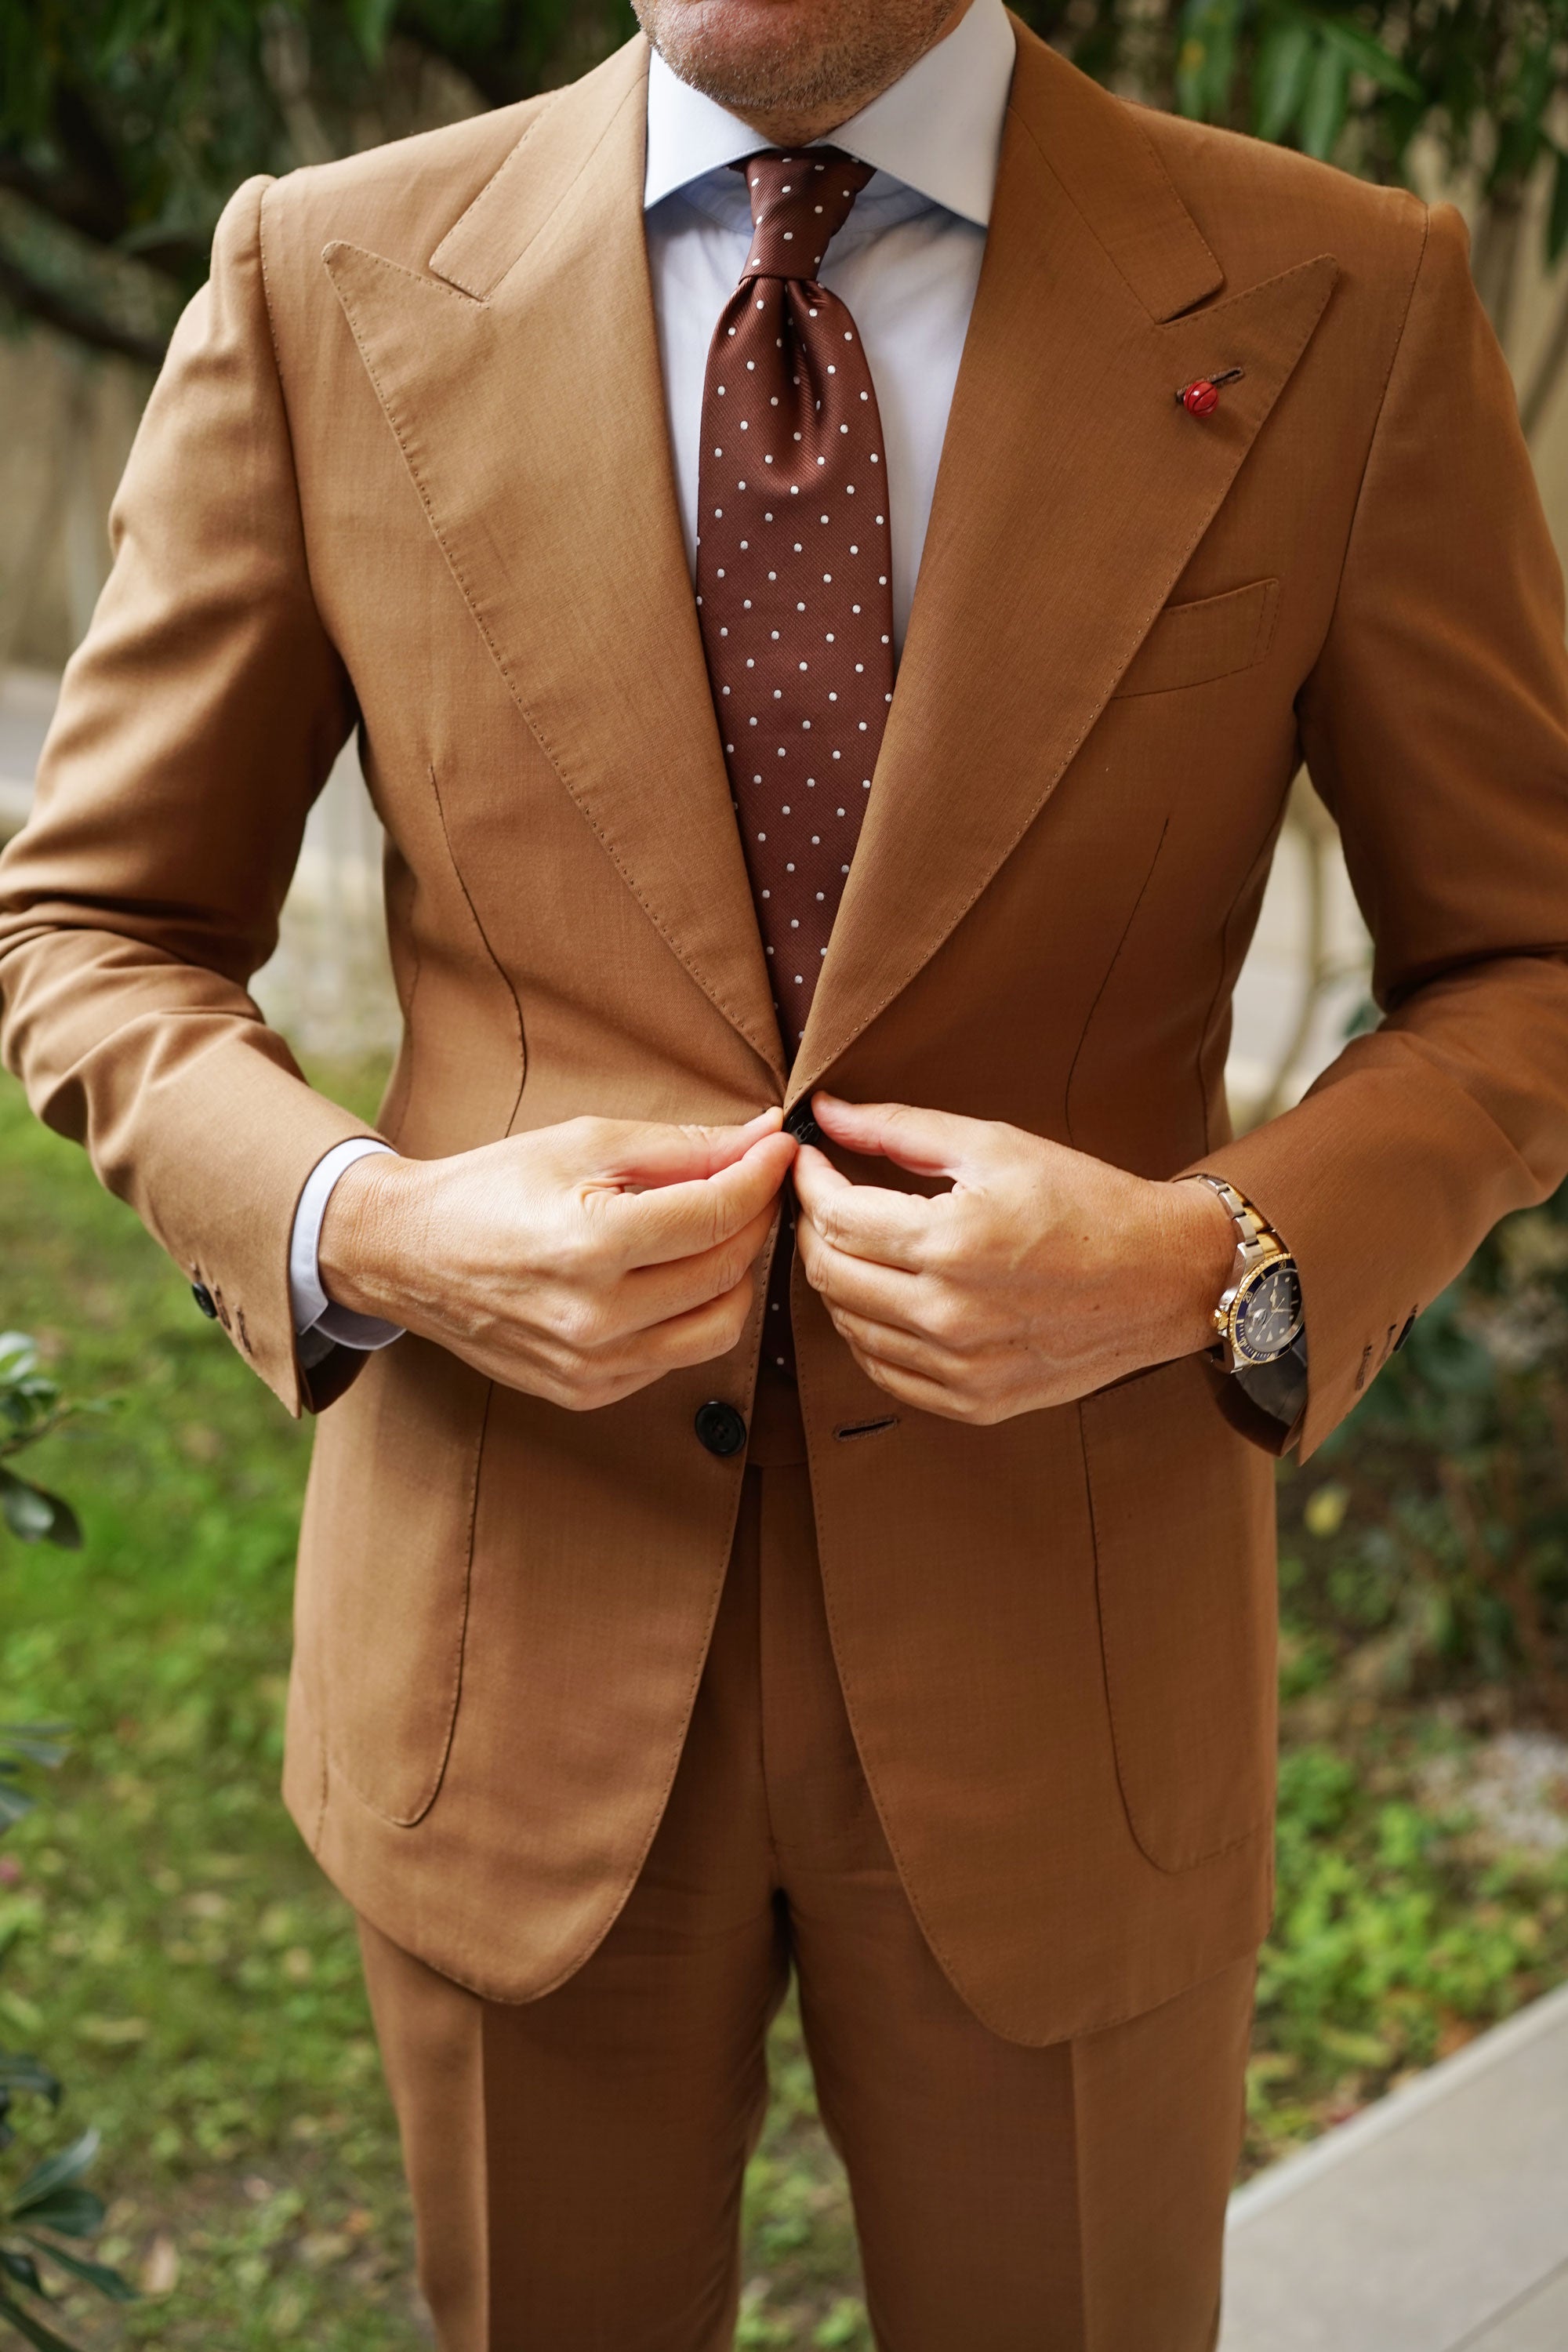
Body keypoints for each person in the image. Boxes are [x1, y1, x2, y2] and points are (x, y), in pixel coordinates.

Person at [4, 0, 1568, 2341]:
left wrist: (1211, 1259)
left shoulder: (1337, 294)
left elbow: (1527, 962)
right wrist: (379, 1232)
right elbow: (95, 926)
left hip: (1077, 1667)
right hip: (504, 1652)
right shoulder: (320, 277)